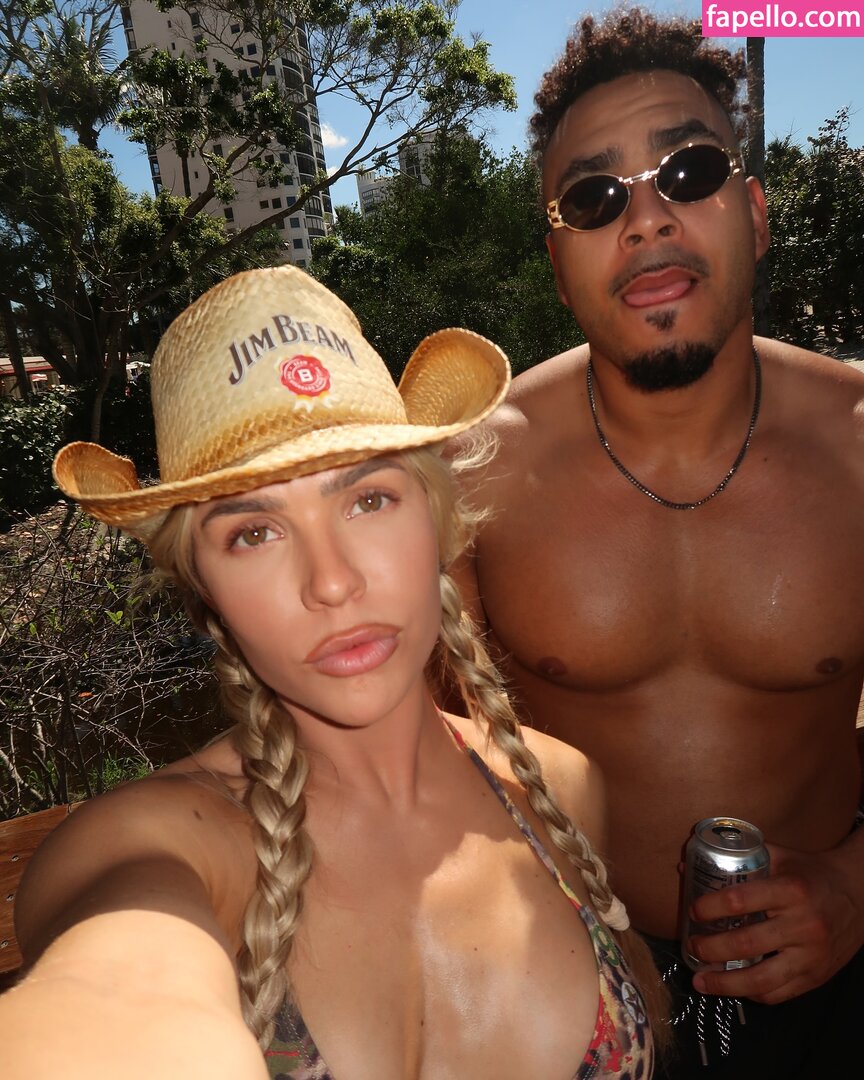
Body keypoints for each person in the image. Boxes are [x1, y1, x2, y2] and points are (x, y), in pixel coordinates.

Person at [0, 266, 663, 1080]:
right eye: (254, 533)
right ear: (204, 590)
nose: (333, 582)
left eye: (368, 501)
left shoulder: (562, 787)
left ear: (437, 520)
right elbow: (112, 990)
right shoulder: (152, 847)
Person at [451, 9, 864, 1078]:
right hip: (580, 984)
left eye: (689, 171)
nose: (646, 220)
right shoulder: (474, 474)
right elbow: (425, 761)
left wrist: (855, 886)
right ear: (558, 265)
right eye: (595, 198)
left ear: (755, 214)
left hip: (838, 959)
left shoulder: (859, 444)